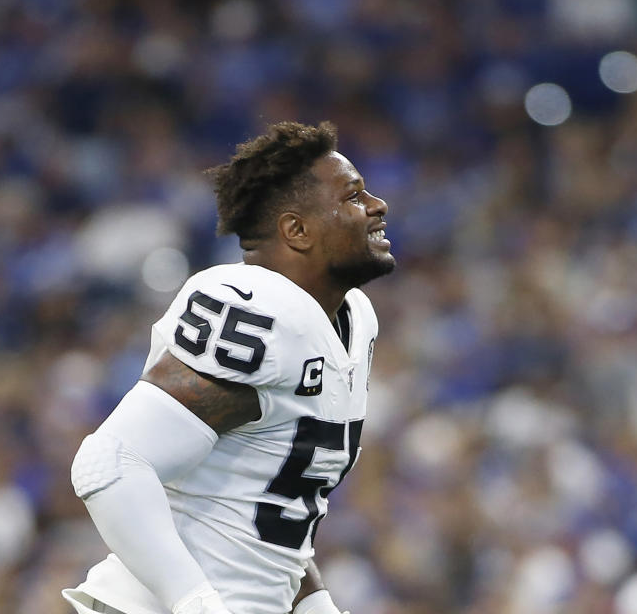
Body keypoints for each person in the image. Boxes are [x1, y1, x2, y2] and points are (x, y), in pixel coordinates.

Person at [63, 121, 395, 614]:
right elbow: (110, 463)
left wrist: (316, 605)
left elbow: (269, 505)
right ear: (296, 230)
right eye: (353, 195)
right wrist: (196, 604)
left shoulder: (353, 319)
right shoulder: (255, 305)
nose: (376, 205)